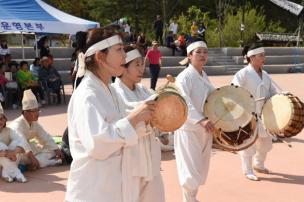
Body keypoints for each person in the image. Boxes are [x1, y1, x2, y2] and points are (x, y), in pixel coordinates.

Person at [65, 27, 157, 202]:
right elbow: (98, 143)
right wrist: (135, 117)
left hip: (112, 186)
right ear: (100, 56)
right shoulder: (88, 95)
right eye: (119, 49)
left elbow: (122, 131)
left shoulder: (108, 90)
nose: (124, 55)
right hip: (94, 190)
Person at [112, 46, 165, 202]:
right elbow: (127, 116)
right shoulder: (114, 92)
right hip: (130, 159)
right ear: (123, 67)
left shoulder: (144, 90)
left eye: (142, 64)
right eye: (137, 64)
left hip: (151, 156)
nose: (142, 68)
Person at [175, 41, 215, 202]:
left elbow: (214, 96)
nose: (203, 55)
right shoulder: (184, 77)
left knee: (199, 166)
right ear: (189, 56)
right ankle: (188, 199)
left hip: (204, 128)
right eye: (198, 52)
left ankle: (192, 197)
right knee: (189, 168)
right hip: (189, 128)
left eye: (205, 52)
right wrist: (200, 120)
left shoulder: (203, 75)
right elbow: (183, 101)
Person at [231, 43, 278, 181]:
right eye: (261, 55)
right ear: (251, 57)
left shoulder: (266, 75)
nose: (264, 58)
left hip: (263, 114)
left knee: (265, 142)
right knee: (248, 143)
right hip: (248, 114)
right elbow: (233, 91)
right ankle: (248, 169)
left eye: (264, 55)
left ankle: (258, 164)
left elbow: (273, 91)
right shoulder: (242, 74)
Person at [9, 89, 63, 170]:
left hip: (30, 149)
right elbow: (22, 143)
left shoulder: (34, 123)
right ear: (25, 113)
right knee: (20, 154)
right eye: (34, 111)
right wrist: (32, 157)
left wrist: (56, 149)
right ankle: (46, 162)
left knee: (52, 150)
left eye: (38, 110)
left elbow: (45, 137)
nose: (37, 113)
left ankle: (35, 163)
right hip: (15, 151)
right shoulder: (17, 125)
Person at [0, 104, 27, 183]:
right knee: (1, 145)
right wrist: (4, 153)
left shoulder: (9, 130)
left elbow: (21, 141)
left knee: (16, 142)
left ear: (5, 120)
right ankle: (16, 173)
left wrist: (13, 153)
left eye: (1, 119)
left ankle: (5, 173)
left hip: (10, 159)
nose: (0, 121)